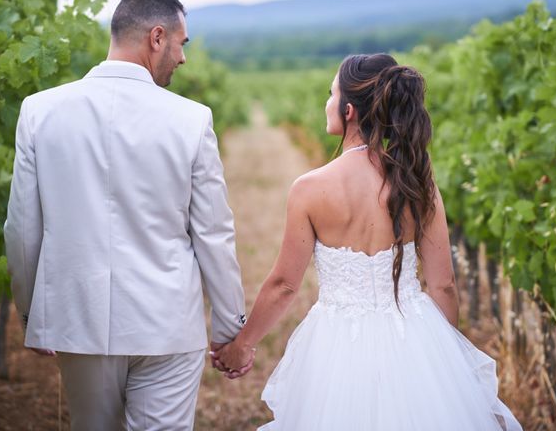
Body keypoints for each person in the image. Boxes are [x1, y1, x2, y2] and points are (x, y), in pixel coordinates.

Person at [214, 54, 522, 430]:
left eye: (330, 94)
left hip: (338, 344)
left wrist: (242, 344)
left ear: (348, 111)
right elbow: (443, 284)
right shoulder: (417, 183)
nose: (324, 103)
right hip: (414, 335)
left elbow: (284, 284)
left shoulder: (310, 189)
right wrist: (445, 361)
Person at [4, 0, 250, 431]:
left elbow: (22, 229)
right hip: (168, 323)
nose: (184, 57)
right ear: (157, 37)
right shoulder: (192, 120)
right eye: (182, 43)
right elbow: (214, 233)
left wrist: (31, 314)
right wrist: (230, 327)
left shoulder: (39, 112)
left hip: (78, 318)